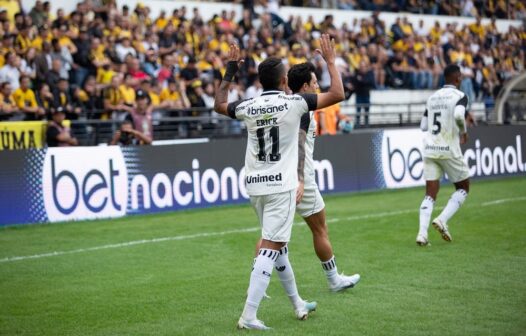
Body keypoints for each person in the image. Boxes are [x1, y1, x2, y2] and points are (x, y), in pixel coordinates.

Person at [214, 34, 345, 330]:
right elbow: (337, 94)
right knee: (271, 247)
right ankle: (249, 314)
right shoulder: (295, 103)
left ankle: (297, 303)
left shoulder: (247, 106)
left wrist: (230, 71)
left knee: (279, 246)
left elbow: (219, 104)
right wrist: (331, 62)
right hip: (280, 186)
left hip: (254, 185)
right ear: (285, 79)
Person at [253, 61, 360, 293]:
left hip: (274, 177)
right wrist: (301, 179)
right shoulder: (300, 107)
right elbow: (302, 142)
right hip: (301, 180)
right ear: (304, 86)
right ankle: (334, 280)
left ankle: (256, 282)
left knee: (270, 236)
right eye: (314, 83)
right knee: (319, 229)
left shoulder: (281, 105)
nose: (317, 87)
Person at [416, 64, 473, 246]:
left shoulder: (432, 98)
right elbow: (458, 115)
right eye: (461, 77)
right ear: (457, 78)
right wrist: (463, 132)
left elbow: (424, 126)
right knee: (463, 187)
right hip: (448, 147)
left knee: (430, 193)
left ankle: (422, 234)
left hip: (431, 148)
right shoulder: (460, 96)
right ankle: (442, 219)